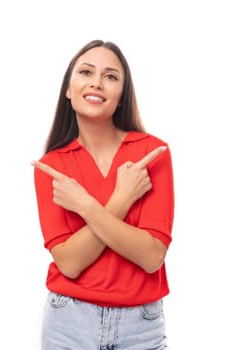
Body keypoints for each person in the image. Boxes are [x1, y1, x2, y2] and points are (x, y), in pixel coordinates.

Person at [31, 39, 175, 349]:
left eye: (111, 76)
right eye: (86, 72)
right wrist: (123, 199)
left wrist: (84, 204)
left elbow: (151, 257)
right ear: (68, 89)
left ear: (122, 96)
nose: (97, 82)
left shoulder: (152, 154)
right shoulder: (51, 167)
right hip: (68, 324)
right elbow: (69, 263)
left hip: (141, 327)